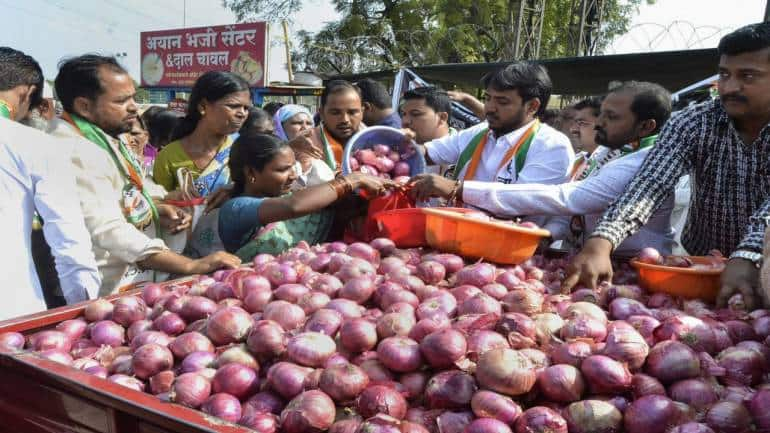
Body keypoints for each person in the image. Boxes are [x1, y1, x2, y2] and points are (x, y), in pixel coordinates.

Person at [563, 22, 770, 310]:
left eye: (747, 76)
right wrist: (603, 239)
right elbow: (651, 183)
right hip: (702, 266)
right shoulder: (693, 122)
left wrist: (748, 254)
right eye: (724, 74)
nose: (731, 87)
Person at [50, 54, 240, 294]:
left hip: (128, 273)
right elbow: (108, 230)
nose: (134, 107)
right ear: (84, 106)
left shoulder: (101, 137)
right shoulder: (75, 149)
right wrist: (189, 265)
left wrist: (159, 204)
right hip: (104, 283)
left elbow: (123, 193)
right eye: (121, 100)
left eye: (133, 97)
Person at [458, 81, 675, 257]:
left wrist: (462, 189)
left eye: (612, 117)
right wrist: (547, 235)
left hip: (633, 268)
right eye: (601, 114)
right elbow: (570, 213)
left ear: (646, 126)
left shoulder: (645, 163)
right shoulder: (603, 154)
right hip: (587, 259)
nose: (599, 123)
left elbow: (569, 198)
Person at [0, 47, 100, 318]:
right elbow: (69, 240)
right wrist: (84, 311)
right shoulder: (34, 144)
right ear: (27, 93)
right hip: (10, 313)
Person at [408, 62, 574, 217]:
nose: (490, 108)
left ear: (532, 106)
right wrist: (395, 146)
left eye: (502, 101)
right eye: (487, 98)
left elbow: (521, 200)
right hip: (457, 234)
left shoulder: (551, 145)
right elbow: (428, 152)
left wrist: (455, 188)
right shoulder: (480, 132)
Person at [218, 133, 394, 260]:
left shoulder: (295, 194)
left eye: (292, 166)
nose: (293, 175)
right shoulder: (235, 208)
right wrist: (351, 180)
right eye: (282, 170)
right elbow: (292, 206)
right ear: (251, 172)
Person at [153, 71, 251, 197]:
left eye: (246, 108)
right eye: (233, 106)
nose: (242, 113)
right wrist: (171, 198)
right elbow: (156, 203)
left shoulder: (245, 150)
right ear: (203, 106)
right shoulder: (168, 157)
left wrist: (235, 191)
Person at [289, 80, 365, 172]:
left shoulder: (376, 140)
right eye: (335, 113)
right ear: (321, 113)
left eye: (352, 112)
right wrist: (289, 148)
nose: (345, 120)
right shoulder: (306, 143)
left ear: (362, 112)